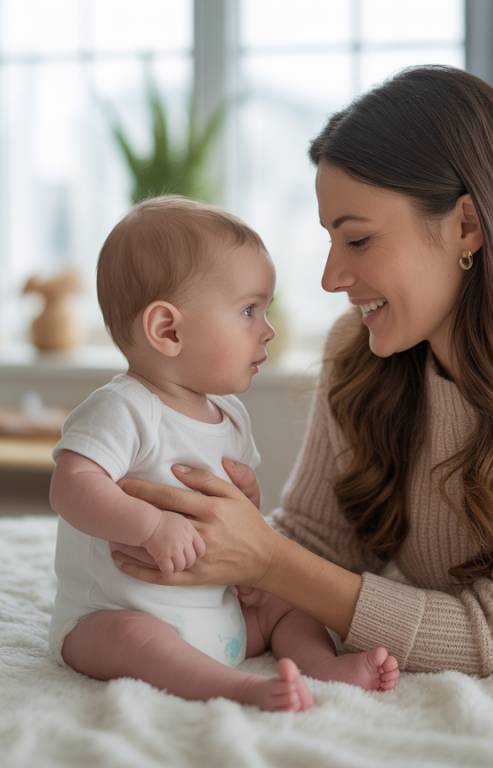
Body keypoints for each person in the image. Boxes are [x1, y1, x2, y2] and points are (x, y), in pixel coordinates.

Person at [110, 66, 493, 677]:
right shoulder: (360, 351)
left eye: (358, 241)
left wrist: (267, 560)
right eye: (330, 240)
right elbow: (320, 545)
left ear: (467, 226)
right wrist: (219, 537)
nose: (331, 278)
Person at [48, 196, 399, 713]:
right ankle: (239, 689)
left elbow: (231, 521)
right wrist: (150, 526)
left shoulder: (230, 416)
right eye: (249, 310)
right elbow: (72, 486)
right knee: (134, 640)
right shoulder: (124, 408)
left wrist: (247, 515)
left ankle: (324, 667)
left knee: (288, 606)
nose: (267, 329)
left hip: (219, 614)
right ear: (167, 330)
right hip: (118, 614)